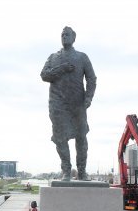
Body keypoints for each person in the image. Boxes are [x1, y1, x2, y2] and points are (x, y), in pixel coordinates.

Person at [41, 26, 97, 181]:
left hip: (77, 103)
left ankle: (82, 171)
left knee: (81, 137)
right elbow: (44, 75)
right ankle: (66, 170)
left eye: (67, 35)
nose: (64, 37)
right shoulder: (53, 58)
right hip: (57, 104)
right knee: (60, 138)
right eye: (62, 35)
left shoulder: (82, 57)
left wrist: (88, 97)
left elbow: (92, 79)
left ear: (74, 38)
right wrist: (61, 69)